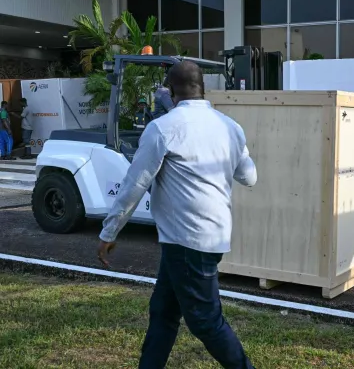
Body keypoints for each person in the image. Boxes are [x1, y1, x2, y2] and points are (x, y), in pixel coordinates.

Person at [97, 60, 257, 369]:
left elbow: (134, 185)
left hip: (188, 242)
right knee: (164, 311)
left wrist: (108, 233)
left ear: (170, 92)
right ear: (203, 89)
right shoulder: (230, 127)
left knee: (206, 322)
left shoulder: (162, 128)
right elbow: (249, 177)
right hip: (206, 237)